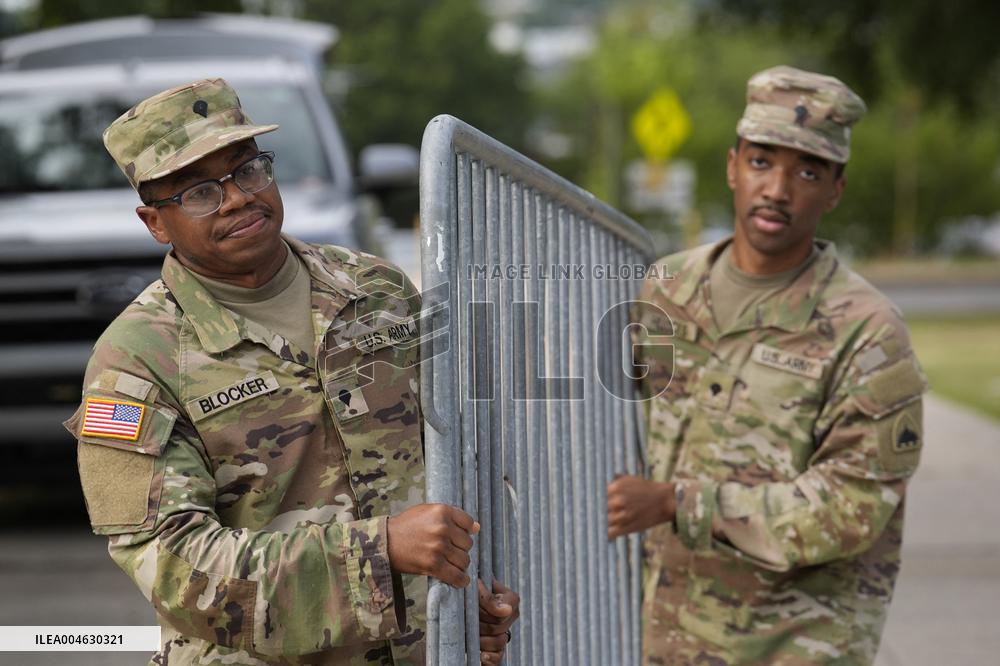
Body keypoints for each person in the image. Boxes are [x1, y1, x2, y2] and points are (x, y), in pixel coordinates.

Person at [65, 78, 518, 665]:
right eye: (199, 192)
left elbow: (457, 459)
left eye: (247, 170)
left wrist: (473, 597)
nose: (236, 199)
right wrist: (380, 551)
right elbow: (173, 566)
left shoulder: (379, 292)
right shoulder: (134, 361)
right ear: (155, 222)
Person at [608, 66, 926, 664]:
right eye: (762, 162)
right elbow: (620, 434)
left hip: (792, 645)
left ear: (836, 190)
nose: (778, 189)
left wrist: (681, 502)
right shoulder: (665, 289)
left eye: (807, 171)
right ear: (732, 166)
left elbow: (851, 508)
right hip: (661, 637)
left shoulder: (868, 331)